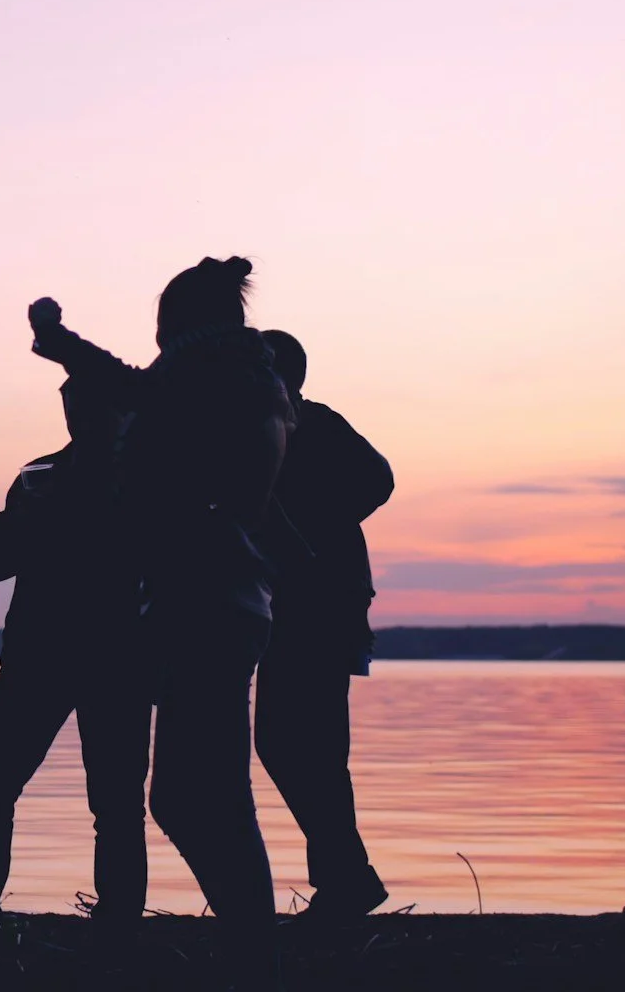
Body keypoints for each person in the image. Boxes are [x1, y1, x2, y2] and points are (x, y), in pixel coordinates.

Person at [33, 258, 293, 990]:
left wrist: (62, 343)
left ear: (179, 320)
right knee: (200, 796)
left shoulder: (214, 377)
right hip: (214, 601)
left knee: (196, 797)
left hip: (205, 604)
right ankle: (252, 953)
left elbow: (136, 391)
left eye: (161, 318)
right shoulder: (243, 376)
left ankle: (253, 956)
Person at [0, 357, 150, 945]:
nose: (78, 414)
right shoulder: (41, 478)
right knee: (8, 787)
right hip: (56, 655)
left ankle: (111, 917)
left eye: (85, 404)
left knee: (106, 798)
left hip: (99, 656)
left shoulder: (134, 482)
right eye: (73, 404)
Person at [251, 329, 393, 920]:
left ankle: (348, 880)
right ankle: (345, 878)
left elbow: (379, 480)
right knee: (295, 745)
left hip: (324, 603)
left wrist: (315, 524)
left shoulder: (316, 424)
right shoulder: (265, 428)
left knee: (302, 745)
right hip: (289, 602)